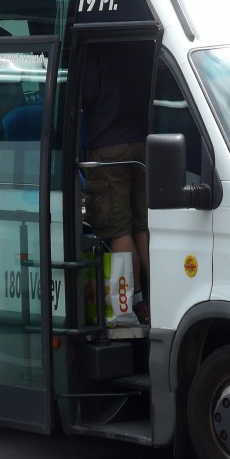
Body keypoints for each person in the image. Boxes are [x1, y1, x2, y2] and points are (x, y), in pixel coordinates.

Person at [81, 42, 152, 322]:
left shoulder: (99, 46)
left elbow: (85, 94)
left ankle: (132, 303)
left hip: (108, 147)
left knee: (118, 229)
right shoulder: (143, 45)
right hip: (144, 144)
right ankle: (158, 295)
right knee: (143, 226)